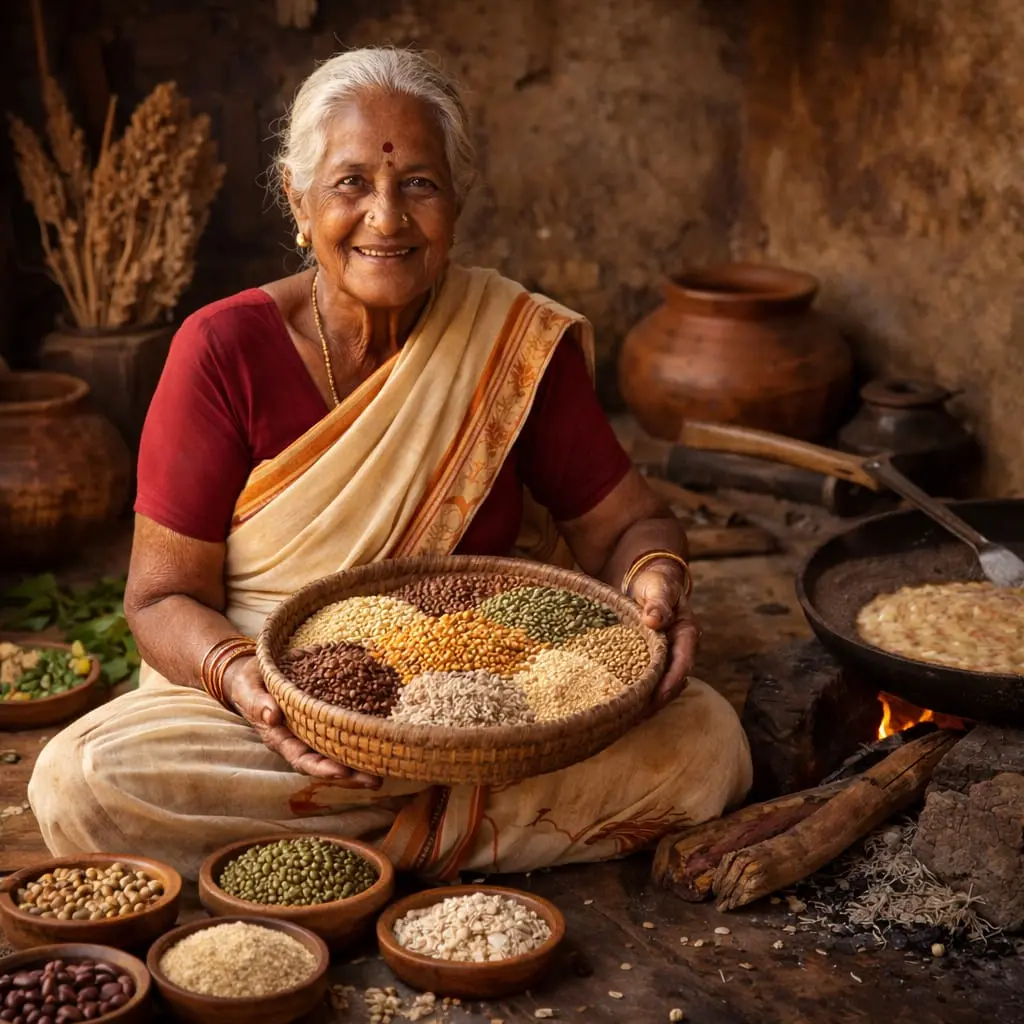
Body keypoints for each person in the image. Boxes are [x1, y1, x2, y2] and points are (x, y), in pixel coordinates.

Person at [29, 47, 751, 880]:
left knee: (706, 743)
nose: (387, 217)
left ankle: (329, 852)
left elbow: (631, 525)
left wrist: (657, 584)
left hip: (493, 708)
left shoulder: (509, 345)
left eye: (419, 184)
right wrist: (253, 692)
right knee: (79, 781)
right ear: (297, 199)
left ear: (456, 202)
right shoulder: (222, 350)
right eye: (350, 184)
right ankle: (443, 840)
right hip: (268, 715)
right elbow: (159, 599)